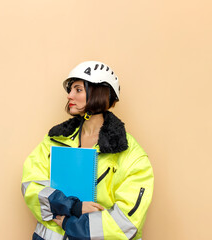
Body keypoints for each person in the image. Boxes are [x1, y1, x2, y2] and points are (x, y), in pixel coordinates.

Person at [21, 61, 154, 240]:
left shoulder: (132, 155)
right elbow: (31, 184)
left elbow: (127, 221)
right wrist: (72, 206)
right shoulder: (54, 140)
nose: (69, 96)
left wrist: (73, 225)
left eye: (78, 89)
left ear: (99, 93)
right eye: (69, 90)